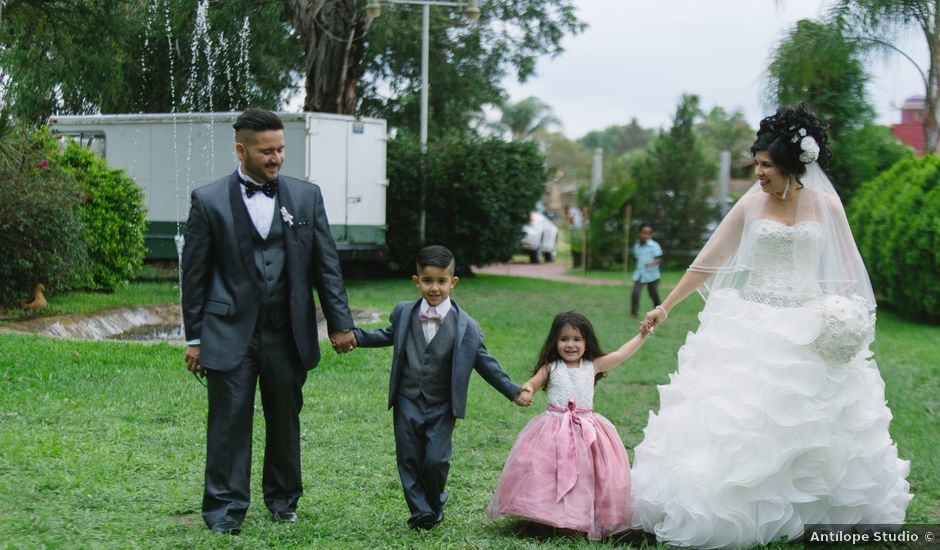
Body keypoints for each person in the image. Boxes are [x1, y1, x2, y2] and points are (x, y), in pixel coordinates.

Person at [631, 105, 912, 548]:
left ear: (790, 167)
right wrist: (665, 308)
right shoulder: (751, 203)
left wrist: (843, 315)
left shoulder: (826, 204)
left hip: (809, 323)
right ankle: (738, 507)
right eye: (756, 163)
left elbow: (847, 271)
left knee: (815, 419)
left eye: (766, 165)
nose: (758, 173)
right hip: (752, 321)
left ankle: (810, 511)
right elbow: (709, 261)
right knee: (741, 420)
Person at [181, 108, 358, 535]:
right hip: (228, 332)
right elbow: (194, 275)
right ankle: (224, 510)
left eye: (280, 149)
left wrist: (340, 323)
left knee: (285, 418)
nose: (276, 158)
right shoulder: (207, 201)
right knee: (228, 422)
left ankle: (283, 500)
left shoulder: (306, 197)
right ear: (241, 150)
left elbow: (326, 266)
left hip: (287, 330)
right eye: (266, 151)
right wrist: (195, 337)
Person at [352, 245, 528, 530]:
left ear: (453, 282)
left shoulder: (467, 326)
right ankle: (420, 511)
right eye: (427, 281)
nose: (434, 288)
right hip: (407, 397)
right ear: (416, 280)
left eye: (441, 281)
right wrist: (354, 337)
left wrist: (513, 390)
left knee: (435, 459)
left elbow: (485, 363)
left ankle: (434, 502)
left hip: (442, 403)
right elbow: (385, 336)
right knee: (408, 457)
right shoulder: (403, 313)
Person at [487, 310, 647, 540]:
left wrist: (642, 335)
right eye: (564, 339)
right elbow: (533, 382)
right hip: (553, 429)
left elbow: (621, 354)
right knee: (547, 472)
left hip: (586, 431)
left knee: (586, 475)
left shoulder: (593, 365)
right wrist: (528, 390)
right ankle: (549, 516)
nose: (570, 344)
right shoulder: (551, 367)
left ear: (586, 342)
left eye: (577, 339)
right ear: (555, 342)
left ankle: (580, 518)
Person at [630, 223, 663, 317]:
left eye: (649, 233)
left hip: (652, 275)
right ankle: (634, 313)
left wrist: (651, 263)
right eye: (644, 233)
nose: (646, 235)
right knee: (635, 293)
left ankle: (659, 311)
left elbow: (659, 259)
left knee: (653, 295)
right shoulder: (636, 246)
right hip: (640, 274)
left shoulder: (654, 245)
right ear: (639, 233)